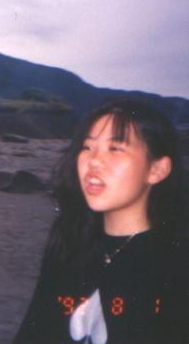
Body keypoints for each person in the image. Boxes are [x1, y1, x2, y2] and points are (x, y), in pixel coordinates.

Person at [14, 99, 189, 343]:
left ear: (157, 170)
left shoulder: (176, 261)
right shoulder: (71, 238)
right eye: (87, 147)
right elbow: (34, 331)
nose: (93, 160)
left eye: (115, 148)